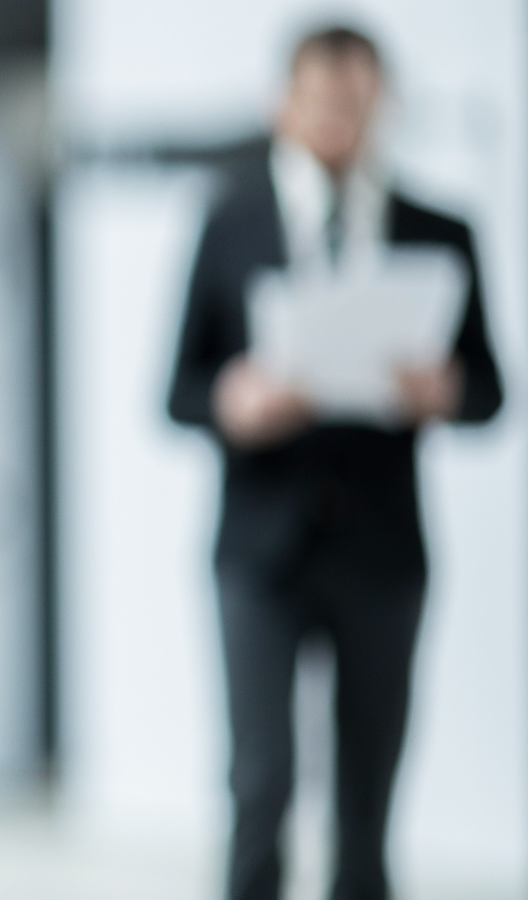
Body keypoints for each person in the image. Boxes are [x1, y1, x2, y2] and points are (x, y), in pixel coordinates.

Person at [167, 25, 502, 900]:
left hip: (383, 554)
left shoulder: (440, 230)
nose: (338, 123)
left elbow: (490, 393)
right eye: (321, 103)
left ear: (381, 106)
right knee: (260, 783)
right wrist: (235, 403)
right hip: (259, 551)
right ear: (286, 103)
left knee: (367, 802)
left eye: (356, 104)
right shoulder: (230, 223)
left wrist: (445, 391)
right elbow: (178, 392)